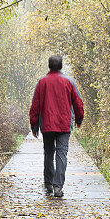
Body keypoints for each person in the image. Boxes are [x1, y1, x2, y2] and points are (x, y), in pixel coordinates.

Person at [29, 54, 84, 198]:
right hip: (64, 124)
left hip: (47, 124)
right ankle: (58, 187)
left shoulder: (42, 82)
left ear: (49, 66)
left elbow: (35, 105)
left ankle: (48, 182)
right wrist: (79, 118)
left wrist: (34, 124)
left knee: (48, 152)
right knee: (61, 154)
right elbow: (78, 102)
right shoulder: (69, 82)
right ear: (61, 66)